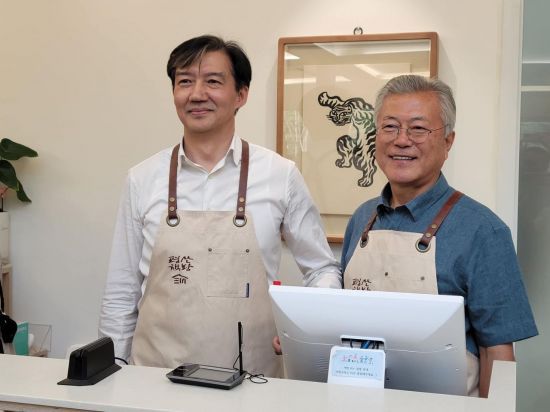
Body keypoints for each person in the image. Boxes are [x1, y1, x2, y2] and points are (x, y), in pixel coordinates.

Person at [98, 35, 341, 377]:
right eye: (185, 81)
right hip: (153, 380)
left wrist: (307, 326)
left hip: (252, 380)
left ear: (241, 94)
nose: (197, 94)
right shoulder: (142, 179)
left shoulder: (279, 175)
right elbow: (121, 290)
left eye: (213, 81)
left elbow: (321, 269)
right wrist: (113, 371)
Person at [341, 75, 538, 397]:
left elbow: (497, 352)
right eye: (390, 127)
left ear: (448, 142)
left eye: (418, 128)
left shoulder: (483, 231)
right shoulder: (363, 218)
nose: (401, 140)